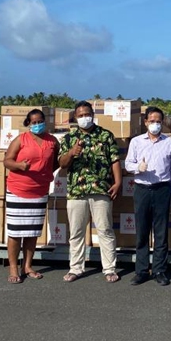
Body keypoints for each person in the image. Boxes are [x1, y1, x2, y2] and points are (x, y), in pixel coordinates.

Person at [58, 101, 122, 283]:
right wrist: (71, 153)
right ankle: (75, 268)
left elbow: (114, 160)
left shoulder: (105, 135)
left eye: (87, 114)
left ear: (92, 115)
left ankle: (109, 269)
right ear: (75, 118)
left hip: (101, 189)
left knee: (105, 230)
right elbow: (62, 164)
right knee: (76, 232)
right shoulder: (69, 138)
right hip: (76, 192)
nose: (84, 118)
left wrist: (118, 182)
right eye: (80, 115)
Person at [2, 109, 59, 284]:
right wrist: (19, 165)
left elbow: (56, 162)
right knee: (15, 232)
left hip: (40, 191)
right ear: (28, 124)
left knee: (32, 232)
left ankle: (27, 266)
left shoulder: (52, 141)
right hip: (18, 190)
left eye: (40, 121)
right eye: (33, 122)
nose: (37, 124)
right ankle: (13, 268)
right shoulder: (21, 139)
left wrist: (45, 173)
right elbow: (7, 160)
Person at [124, 106, 171, 286]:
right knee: (142, 231)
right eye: (152, 121)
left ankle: (159, 270)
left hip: (162, 188)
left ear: (162, 123)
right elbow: (128, 163)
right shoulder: (137, 142)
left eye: (158, 121)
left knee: (161, 232)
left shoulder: (169, 143)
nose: (155, 124)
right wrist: (137, 167)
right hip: (142, 189)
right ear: (145, 122)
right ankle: (141, 270)